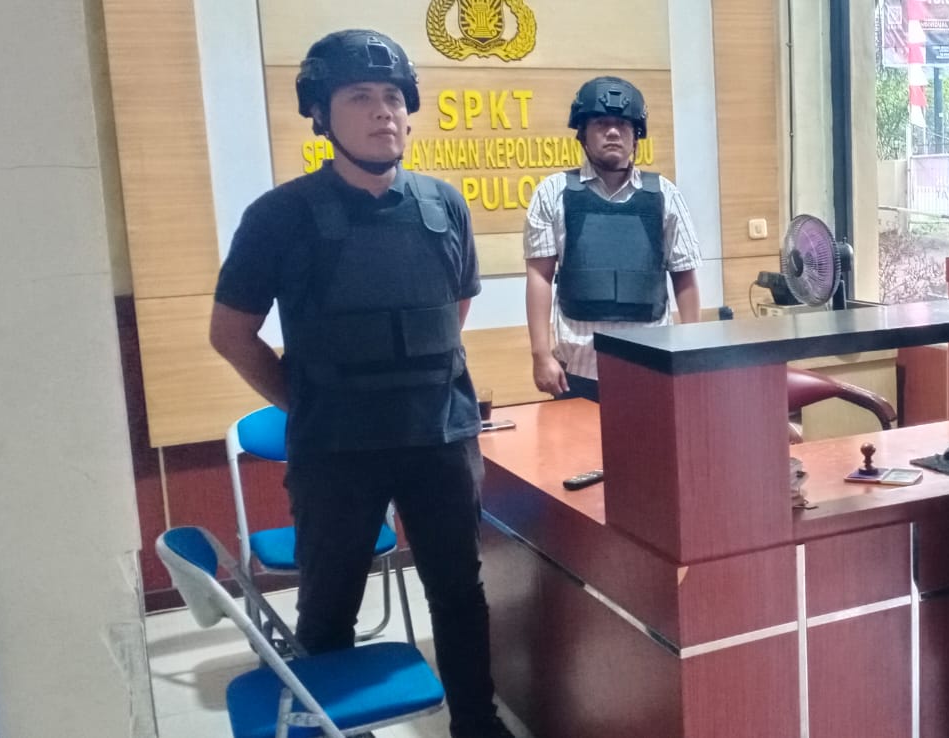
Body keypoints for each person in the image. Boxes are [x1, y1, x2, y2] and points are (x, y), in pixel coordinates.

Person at [208, 29, 514, 738]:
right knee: (328, 609)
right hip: (336, 451)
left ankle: (477, 722)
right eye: (359, 97)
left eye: (393, 97)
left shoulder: (444, 205)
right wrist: (305, 403)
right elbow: (230, 333)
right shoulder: (279, 216)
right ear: (320, 112)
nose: (383, 112)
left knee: (459, 593)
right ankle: (331, 729)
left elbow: (452, 313)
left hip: (438, 440)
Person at [523, 76, 702, 401]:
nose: (613, 132)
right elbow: (539, 276)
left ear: (636, 135)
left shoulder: (666, 195)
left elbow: (685, 276)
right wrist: (540, 354)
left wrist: (691, 354)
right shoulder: (552, 193)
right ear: (582, 133)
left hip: (652, 369)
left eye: (623, 124)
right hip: (577, 372)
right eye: (601, 123)